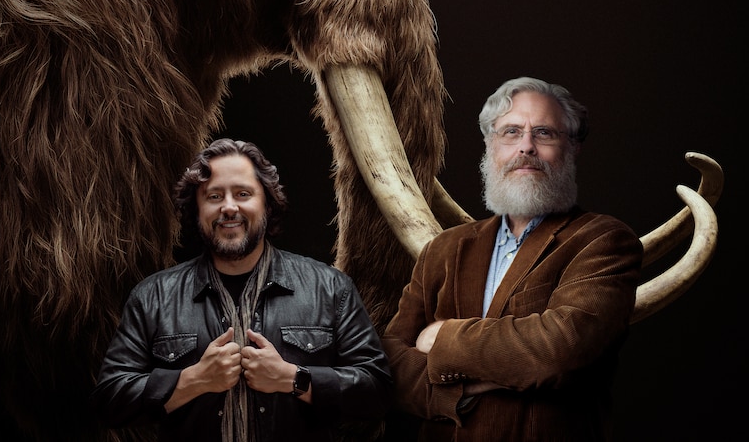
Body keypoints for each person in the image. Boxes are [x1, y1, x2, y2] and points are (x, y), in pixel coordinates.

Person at [381, 77, 643, 441]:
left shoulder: (602, 241)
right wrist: (463, 388)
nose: (526, 147)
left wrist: (442, 335)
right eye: (510, 132)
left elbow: (558, 351)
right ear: (490, 146)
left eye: (545, 133)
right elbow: (387, 365)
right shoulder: (443, 248)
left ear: (573, 148)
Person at [91, 138, 392, 442]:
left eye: (243, 194)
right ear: (197, 209)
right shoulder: (153, 296)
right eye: (214, 196)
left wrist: (293, 379)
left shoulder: (329, 288)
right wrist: (193, 380)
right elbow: (109, 401)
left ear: (267, 203)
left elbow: (377, 392)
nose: (229, 207)